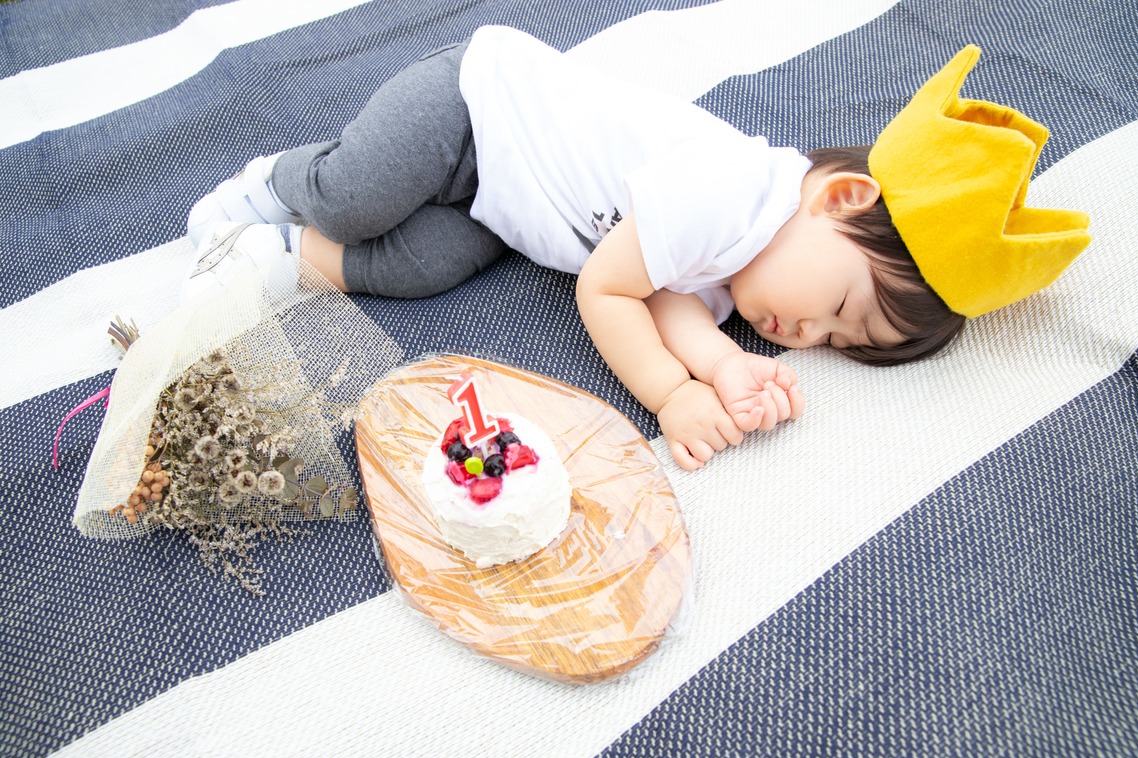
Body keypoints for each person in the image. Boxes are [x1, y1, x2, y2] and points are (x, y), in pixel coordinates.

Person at [183, 27, 1090, 471]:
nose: (810, 334)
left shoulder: (745, 268)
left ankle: (282, 257)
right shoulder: (733, 190)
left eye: (839, 344)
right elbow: (609, 294)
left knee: (426, 266)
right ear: (842, 198)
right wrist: (670, 395)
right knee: (362, 196)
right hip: (474, 103)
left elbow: (674, 303)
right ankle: (278, 184)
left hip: (502, 201)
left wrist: (725, 369)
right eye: (842, 309)